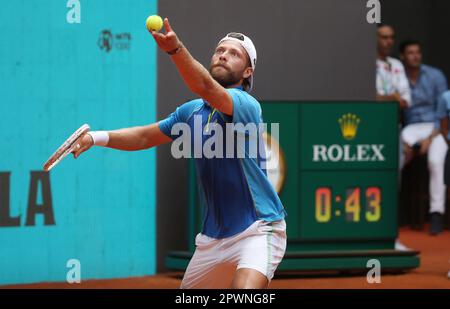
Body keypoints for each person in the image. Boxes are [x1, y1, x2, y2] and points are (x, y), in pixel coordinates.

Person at [71, 18, 287, 289]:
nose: (223, 55)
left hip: (258, 229)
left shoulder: (247, 105)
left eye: (235, 54)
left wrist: (176, 49)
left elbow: (205, 86)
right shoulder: (191, 112)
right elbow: (143, 136)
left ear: (247, 72)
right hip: (212, 240)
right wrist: (95, 138)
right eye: (220, 50)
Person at [399, 40, 448, 235]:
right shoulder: (398, 75)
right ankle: (389, 210)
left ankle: (436, 213)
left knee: (436, 162)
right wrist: (406, 143)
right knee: (398, 157)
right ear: (403, 56)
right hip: (410, 128)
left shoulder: (435, 75)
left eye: (418, 52)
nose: (415, 56)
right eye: (410, 53)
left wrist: (430, 137)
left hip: (435, 128)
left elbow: (444, 112)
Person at [375, 24, 411, 250]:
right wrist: (392, 97)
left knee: (392, 182)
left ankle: (392, 238)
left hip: (393, 129)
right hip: (372, 129)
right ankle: (374, 237)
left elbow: (406, 100)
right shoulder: (365, 61)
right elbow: (371, 97)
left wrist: (388, 97)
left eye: (391, 37)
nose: (388, 41)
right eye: (384, 37)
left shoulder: (396, 65)